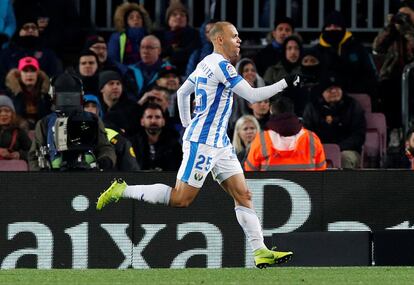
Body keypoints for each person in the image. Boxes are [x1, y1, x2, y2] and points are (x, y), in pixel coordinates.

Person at [96, 21, 300, 268]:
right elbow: (253, 96)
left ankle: (260, 251)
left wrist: (186, 125)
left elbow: (182, 93)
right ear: (220, 39)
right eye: (234, 36)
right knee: (182, 198)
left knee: (243, 195)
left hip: (219, 142)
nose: (239, 40)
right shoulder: (223, 66)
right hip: (203, 142)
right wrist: (286, 82)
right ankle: (123, 189)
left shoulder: (206, 63)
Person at [28, 72, 116, 171]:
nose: (68, 101)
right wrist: (40, 173)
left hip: (89, 173)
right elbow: (34, 155)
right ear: (53, 97)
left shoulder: (93, 119)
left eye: (73, 97)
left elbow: (105, 147)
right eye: (63, 97)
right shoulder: (44, 123)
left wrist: (105, 161)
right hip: (54, 175)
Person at [244, 97, 326, 171]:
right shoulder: (312, 138)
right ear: (292, 111)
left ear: (271, 111)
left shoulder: (261, 140)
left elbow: (250, 172)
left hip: (270, 187)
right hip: (308, 187)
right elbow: (321, 172)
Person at [302, 74, 366, 169]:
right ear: (322, 92)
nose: (333, 91)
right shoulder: (312, 107)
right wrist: (321, 148)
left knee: (344, 158)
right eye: (329, 89)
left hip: (347, 150)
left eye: (337, 88)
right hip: (318, 149)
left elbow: (358, 135)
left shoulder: (353, 105)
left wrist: (337, 148)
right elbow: (306, 133)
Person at [314, 10, 378, 98]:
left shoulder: (357, 48)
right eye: (329, 26)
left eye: (336, 26)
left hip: (354, 96)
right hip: (323, 97)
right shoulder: (316, 50)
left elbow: (369, 75)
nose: (332, 29)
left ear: (343, 28)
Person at [373, 0, 414, 131]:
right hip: (393, 77)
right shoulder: (393, 31)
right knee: (386, 90)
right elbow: (377, 48)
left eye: (407, 15)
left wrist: (408, 30)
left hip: (412, 77)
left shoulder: (408, 30)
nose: (404, 18)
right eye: (401, 14)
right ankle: (394, 131)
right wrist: (390, 26)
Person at [83, 94, 140, 171]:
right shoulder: (68, 133)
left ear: (99, 110)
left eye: (94, 106)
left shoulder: (114, 136)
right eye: (86, 106)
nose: (90, 109)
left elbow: (131, 169)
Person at [130, 102, 182, 171]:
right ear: (142, 121)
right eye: (149, 117)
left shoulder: (174, 146)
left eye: (157, 117)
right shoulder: (132, 144)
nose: (153, 121)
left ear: (163, 121)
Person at [5, 56, 52, 130]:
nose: (29, 74)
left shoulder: (47, 92)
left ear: (38, 73)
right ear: (19, 74)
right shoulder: (10, 93)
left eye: (33, 71)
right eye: (25, 71)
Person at [107, 2, 152, 72]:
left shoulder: (149, 38)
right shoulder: (117, 37)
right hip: (124, 73)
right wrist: (127, 71)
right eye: (131, 17)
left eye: (139, 17)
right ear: (126, 21)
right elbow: (113, 59)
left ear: (143, 21)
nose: (135, 19)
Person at [125, 35, 172, 100]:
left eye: (150, 48)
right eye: (142, 47)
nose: (145, 51)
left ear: (159, 50)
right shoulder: (130, 71)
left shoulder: (169, 71)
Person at [0, 94, 31, 162]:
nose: (3, 114)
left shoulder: (19, 132)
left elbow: (33, 152)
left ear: (12, 114)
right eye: (0, 111)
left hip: (14, 169)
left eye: (7, 111)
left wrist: (20, 154)